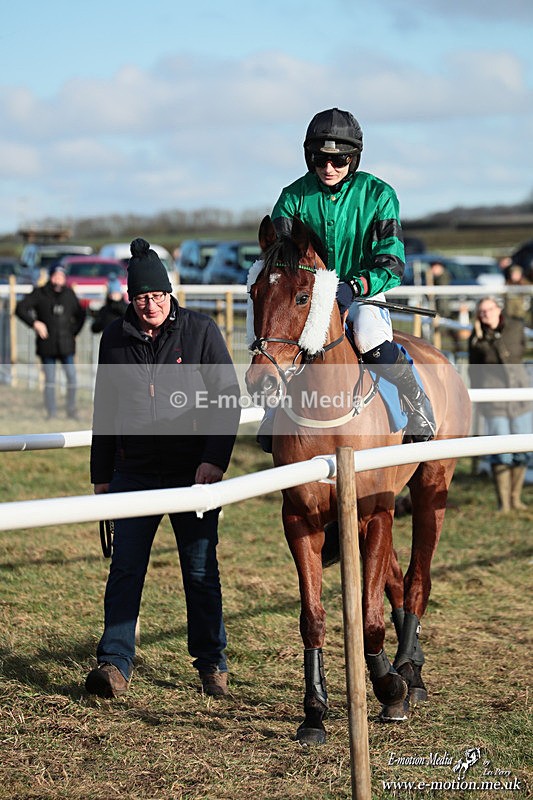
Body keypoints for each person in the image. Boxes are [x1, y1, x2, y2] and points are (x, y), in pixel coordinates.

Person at [85, 238, 241, 699]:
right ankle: (114, 663)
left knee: (199, 571)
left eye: (157, 296)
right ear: (129, 298)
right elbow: (104, 409)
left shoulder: (200, 331)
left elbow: (226, 399)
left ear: (170, 294)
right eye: (140, 297)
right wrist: (101, 476)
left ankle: (212, 663)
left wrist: (213, 460)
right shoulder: (114, 339)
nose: (150, 305)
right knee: (126, 569)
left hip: (192, 473)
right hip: (132, 472)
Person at [257, 107, 435, 451]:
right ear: (310, 157)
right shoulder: (293, 197)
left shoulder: (379, 194)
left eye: (339, 161)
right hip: (305, 295)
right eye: (321, 160)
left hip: (361, 293)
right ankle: (273, 410)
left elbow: (392, 261)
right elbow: (276, 256)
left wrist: (354, 287)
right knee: (276, 338)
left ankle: (416, 403)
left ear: (354, 159)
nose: (328, 169)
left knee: (369, 338)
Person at [468, 297, 532, 512]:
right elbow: (473, 369)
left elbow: (518, 351)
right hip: (494, 401)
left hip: (520, 396)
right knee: (501, 451)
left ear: (498, 309)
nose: (486, 314)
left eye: (489, 309)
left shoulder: (515, 328)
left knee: (523, 450)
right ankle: (503, 503)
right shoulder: (477, 338)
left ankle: (516, 498)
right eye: (482, 311)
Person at [15, 263, 86, 419]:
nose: (58, 279)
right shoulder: (40, 293)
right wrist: (35, 323)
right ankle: (51, 413)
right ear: (50, 276)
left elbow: (81, 315)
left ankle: (71, 410)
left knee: (72, 378)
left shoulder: (69, 294)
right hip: (47, 345)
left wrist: (74, 332)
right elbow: (20, 309)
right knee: (50, 381)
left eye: (61, 276)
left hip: (66, 345)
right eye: (55, 276)